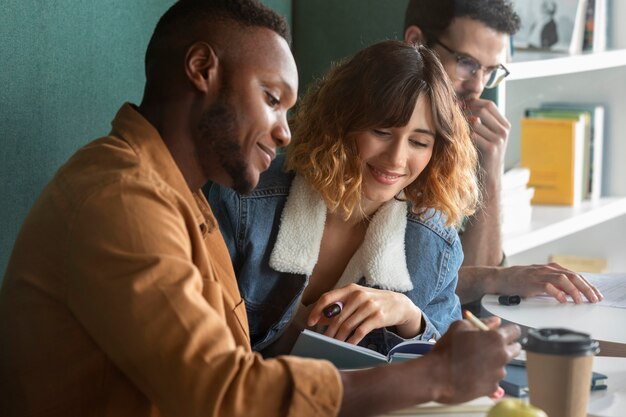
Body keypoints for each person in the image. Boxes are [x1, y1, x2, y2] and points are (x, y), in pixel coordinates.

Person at [0, 1, 521, 416]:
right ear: (201, 69)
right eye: (272, 99)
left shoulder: (178, 196)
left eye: (420, 142)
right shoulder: (123, 200)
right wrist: (429, 375)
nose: (285, 132)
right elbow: (223, 393)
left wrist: (417, 326)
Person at [206, 40, 479, 356]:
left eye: (418, 142)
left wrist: (411, 319)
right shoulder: (244, 199)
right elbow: (199, 339)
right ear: (342, 122)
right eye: (382, 132)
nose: (396, 159)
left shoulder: (434, 243)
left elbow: (452, 371)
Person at [403, 0, 603, 306]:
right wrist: (498, 277)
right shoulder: (384, 140)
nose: (477, 87)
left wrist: (490, 170)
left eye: (489, 72)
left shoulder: (456, 138)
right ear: (416, 42)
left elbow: (468, 302)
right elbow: (409, 289)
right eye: (466, 63)